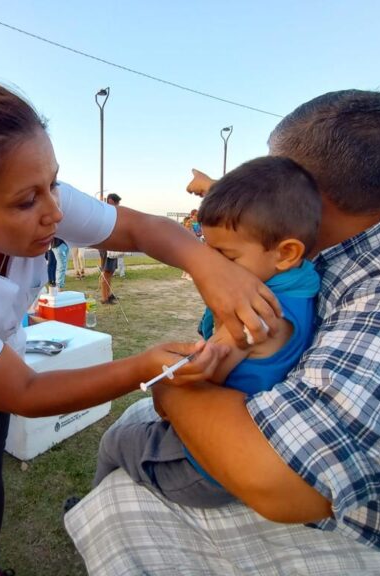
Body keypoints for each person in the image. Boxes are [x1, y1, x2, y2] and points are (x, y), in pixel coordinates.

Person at [0, 75, 282, 576]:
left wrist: (208, 265)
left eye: (54, 183)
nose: (55, 212)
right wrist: (146, 365)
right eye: (27, 201)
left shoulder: (33, 193)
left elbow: (136, 227)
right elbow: (22, 391)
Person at [65, 90, 380, 575]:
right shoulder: (365, 233)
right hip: (351, 484)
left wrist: (169, 391)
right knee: (132, 429)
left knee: (123, 472)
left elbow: (284, 482)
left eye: (282, 177)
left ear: (309, 198)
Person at [92, 156, 321, 508]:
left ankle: (90, 506)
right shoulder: (303, 280)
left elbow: (193, 382)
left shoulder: (249, 316)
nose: (209, 267)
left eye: (223, 256)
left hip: (207, 467)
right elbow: (257, 227)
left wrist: (165, 386)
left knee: (114, 442)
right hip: (246, 443)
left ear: (287, 253)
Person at [98, 192, 122, 303]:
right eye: (117, 203)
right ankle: (104, 297)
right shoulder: (106, 213)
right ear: (112, 201)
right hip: (107, 247)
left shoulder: (109, 212)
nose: (118, 205)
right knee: (106, 272)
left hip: (112, 247)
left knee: (110, 272)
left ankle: (108, 294)